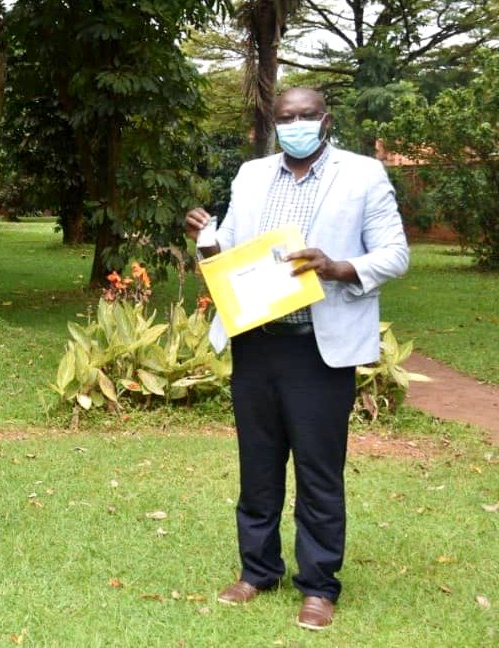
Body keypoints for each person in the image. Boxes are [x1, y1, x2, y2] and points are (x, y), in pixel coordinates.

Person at [184, 88, 409, 630]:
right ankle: (257, 570)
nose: (297, 124)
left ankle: (318, 585)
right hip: (257, 340)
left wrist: (336, 268)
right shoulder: (251, 175)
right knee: (258, 466)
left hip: (321, 347)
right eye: (287, 117)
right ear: (274, 123)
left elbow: (395, 254)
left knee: (318, 469)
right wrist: (206, 240)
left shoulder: (362, 175)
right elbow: (227, 254)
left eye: (307, 115)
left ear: (325, 120)